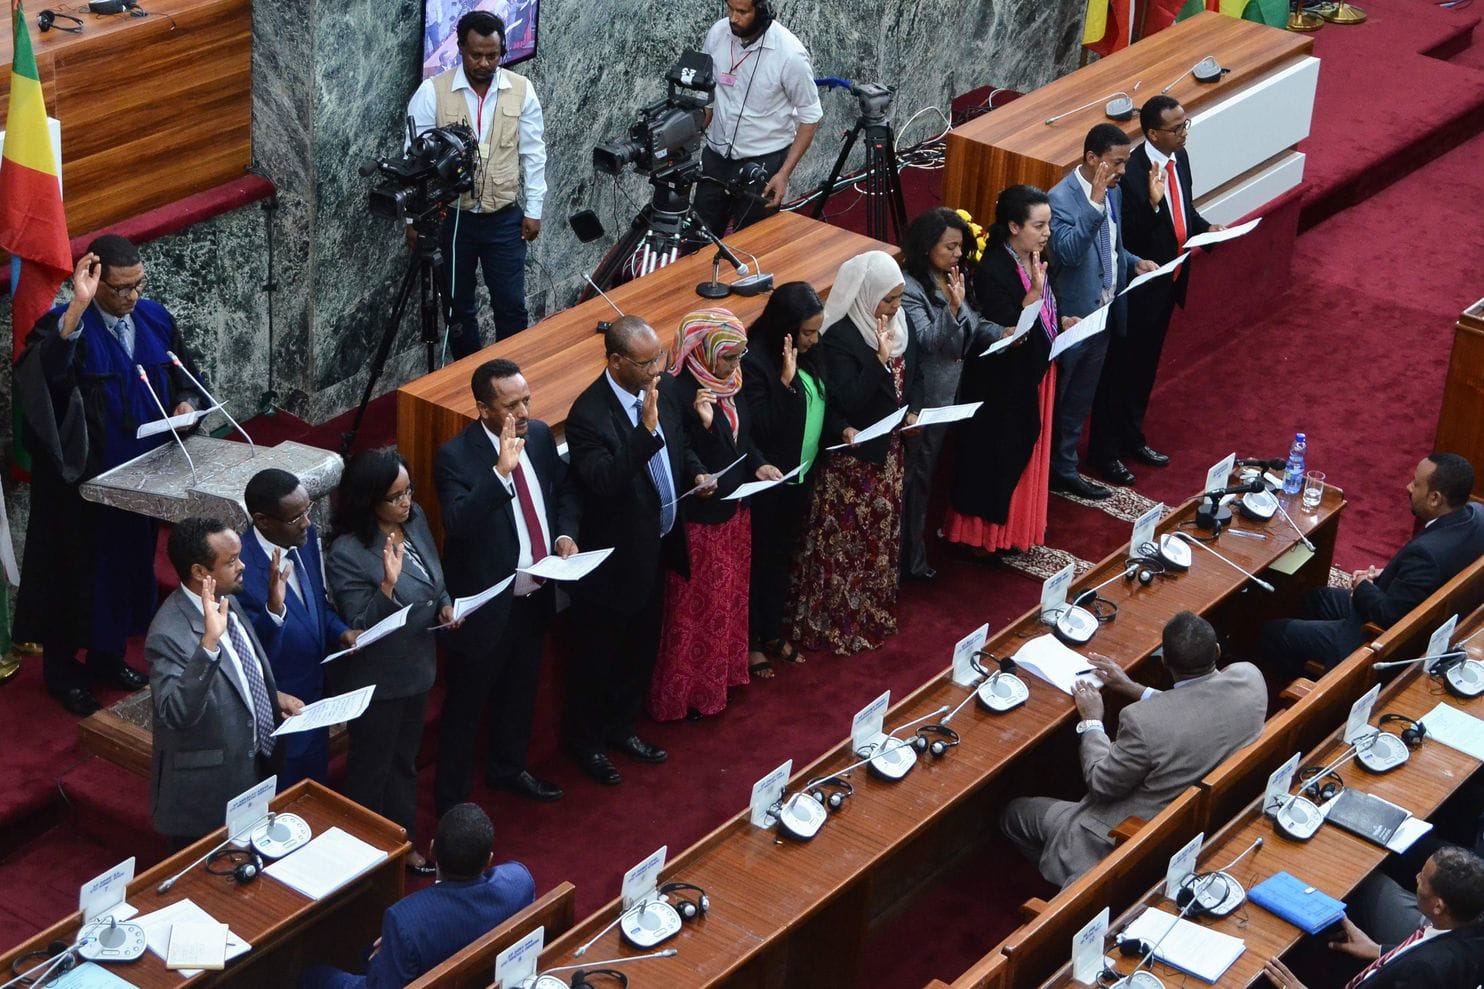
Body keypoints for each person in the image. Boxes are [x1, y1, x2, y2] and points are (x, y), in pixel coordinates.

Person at [14, 235, 205, 716]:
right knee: (74, 580)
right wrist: (76, 306)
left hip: (142, 481)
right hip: (82, 490)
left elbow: (185, 373)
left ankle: (108, 658)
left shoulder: (155, 318)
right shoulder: (65, 324)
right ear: (94, 282)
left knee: (125, 573)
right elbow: (47, 378)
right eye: (119, 289)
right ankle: (62, 674)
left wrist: (188, 403)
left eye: (137, 285)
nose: (131, 298)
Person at [1002, 611, 1266, 887]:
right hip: (1204, 814)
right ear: (1217, 651)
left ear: (1164, 661)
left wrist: (1091, 721)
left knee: (1014, 813)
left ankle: (1064, 882)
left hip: (1125, 836)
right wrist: (1131, 687)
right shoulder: (1250, 678)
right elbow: (1199, 704)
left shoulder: (1142, 722)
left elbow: (1101, 784)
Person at [563, 316, 712, 785]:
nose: (658, 371)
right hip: (612, 566)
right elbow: (606, 482)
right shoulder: (588, 415)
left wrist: (696, 473)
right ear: (615, 361)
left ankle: (623, 728)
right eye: (647, 363)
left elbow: (678, 446)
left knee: (639, 651)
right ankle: (587, 745)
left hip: (657, 548)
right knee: (598, 662)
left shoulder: (661, 389)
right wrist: (644, 433)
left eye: (660, 359)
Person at [433, 359, 580, 810]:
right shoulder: (455, 457)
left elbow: (562, 491)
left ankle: (508, 768)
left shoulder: (536, 437)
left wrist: (564, 534)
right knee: (466, 708)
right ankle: (453, 803)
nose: (524, 410)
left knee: (521, 689)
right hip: (488, 603)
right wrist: (499, 473)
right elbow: (457, 523)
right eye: (511, 404)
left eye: (526, 399)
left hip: (536, 594)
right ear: (482, 409)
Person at [786, 251, 923, 655]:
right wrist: (880, 362)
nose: (895, 307)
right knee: (845, 544)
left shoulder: (901, 325)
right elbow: (846, 399)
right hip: (852, 461)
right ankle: (835, 623)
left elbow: (913, 376)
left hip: (890, 454)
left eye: (897, 298)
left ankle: (870, 612)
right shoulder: (841, 337)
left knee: (878, 540)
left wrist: (912, 409)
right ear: (865, 295)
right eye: (887, 299)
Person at [327, 449, 455, 873]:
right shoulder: (348, 551)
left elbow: (435, 578)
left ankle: (402, 842)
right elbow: (359, 626)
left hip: (417, 667)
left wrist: (446, 605)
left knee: (403, 762)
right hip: (378, 680)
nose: (406, 502)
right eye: (395, 496)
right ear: (369, 501)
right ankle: (367, 856)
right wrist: (387, 585)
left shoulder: (413, 518)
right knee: (371, 770)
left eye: (408, 491)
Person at [652, 309, 781, 718]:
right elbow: (679, 450)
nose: (735, 365)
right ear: (704, 350)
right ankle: (685, 696)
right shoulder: (675, 389)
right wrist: (706, 431)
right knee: (695, 609)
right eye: (727, 357)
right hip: (700, 520)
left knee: (727, 599)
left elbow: (746, 437)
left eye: (739, 356)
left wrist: (758, 462)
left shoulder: (732, 379)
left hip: (735, 510)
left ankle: (720, 678)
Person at [1090, 95, 1222, 486]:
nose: (1184, 133)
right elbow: (1123, 237)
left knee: (1145, 369)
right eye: (1176, 128)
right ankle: (1104, 452)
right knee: (1121, 372)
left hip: (1171, 281)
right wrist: (1150, 204)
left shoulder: (1178, 160)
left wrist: (1208, 230)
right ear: (1151, 133)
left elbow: (1184, 214)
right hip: (1138, 288)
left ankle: (1132, 437)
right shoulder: (1129, 172)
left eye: (1185, 125)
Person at [149, 518, 303, 848]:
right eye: (231, 561)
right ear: (200, 572)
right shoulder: (168, 632)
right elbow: (175, 713)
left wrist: (272, 697)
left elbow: (241, 668)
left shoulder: (225, 597)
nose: (243, 565)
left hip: (256, 771)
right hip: (209, 797)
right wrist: (207, 646)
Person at [1261, 453, 1484, 679]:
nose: (1408, 487)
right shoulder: (1478, 515)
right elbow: (1427, 576)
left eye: (1416, 484)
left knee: (1273, 633)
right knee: (1315, 598)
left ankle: (1300, 684)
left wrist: (1361, 586)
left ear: (1435, 498)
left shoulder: (1426, 554)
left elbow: (1387, 616)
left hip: (1369, 636)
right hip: (1410, 603)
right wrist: (1389, 574)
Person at [407, 9, 546, 355]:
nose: (484, 63)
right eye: (476, 55)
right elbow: (414, 164)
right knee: (458, 310)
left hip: (504, 218)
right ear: (459, 49)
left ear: (502, 52)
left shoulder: (521, 90)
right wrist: (413, 220)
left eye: (493, 55)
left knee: (512, 306)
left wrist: (534, 209)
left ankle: (512, 379)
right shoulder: (431, 92)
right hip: (453, 220)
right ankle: (470, 382)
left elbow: (533, 153)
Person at [945, 185, 1073, 555]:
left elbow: (1049, 303)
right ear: (1014, 227)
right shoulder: (992, 270)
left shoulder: (1037, 255)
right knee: (997, 459)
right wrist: (1032, 297)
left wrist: (1060, 318)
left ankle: (1019, 533)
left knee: (1028, 452)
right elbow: (1004, 332)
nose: (1047, 233)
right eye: (1039, 225)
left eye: (1048, 224)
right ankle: (983, 540)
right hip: (1002, 384)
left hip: (1036, 373)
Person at [299, 803, 536, 989]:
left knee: (315, 975)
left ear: (432, 849)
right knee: (366, 953)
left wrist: (396, 946)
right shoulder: (519, 881)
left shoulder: (404, 919)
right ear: (489, 859)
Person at [1047, 124, 1157, 501]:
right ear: (1092, 159)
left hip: (1105, 315)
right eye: (1117, 162)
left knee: (1080, 401)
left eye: (1125, 162)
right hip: (1070, 322)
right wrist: (1094, 203)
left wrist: (1133, 261)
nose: (1123, 171)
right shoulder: (1059, 200)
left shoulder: (1115, 192)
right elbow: (1068, 254)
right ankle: (1041, 475)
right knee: (1057, 402)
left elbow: (1111, 247)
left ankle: (1064, 469)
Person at [898, 208, 1002, 580]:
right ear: (927, 247)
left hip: (955, 393)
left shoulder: (952, 277)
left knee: (931, 476)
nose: (959, 254)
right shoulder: (910, 288)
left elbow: (972, 324)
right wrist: (954, 308)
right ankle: (910, 560)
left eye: (961, 246)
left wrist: (1002, 332)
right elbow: (928, 341)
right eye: (951, 246)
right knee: (917, 479)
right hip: (926, 402)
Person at [236, 469, 359, 787]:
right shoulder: (241, 571)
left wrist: (341, 631)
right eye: (296, 517)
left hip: (316, 704)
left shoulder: (305, 538)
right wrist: (273, 610)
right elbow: (247, 651)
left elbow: (316, 605)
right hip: (280, 715)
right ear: (263, 521)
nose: (307, 521)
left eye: (307, 510)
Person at [742, 283, 831, 673]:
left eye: (816, 331)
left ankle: (772, 629)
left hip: (800, 477)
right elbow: (760, 426)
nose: (814, 339)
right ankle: (751, 640)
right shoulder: (755, 361)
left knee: (781, 559)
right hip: (767, 482)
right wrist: (784, 381)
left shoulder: (809, 351)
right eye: (807, 332)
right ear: (785, 329)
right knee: (759, 562)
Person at [1261, 846, 1484, 989]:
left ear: (1438, 907)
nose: (1416, 878)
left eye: (1423, 880)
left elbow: (1420, 967)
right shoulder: (1471, 930)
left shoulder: (1427, 970)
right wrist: (1377, 951)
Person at [694, 0, 823, 236]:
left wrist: (783, 174)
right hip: (716, 158)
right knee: (698, 238)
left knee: (753, 244)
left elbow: (811, 117)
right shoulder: (717, 33)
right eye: (730, 8)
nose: (733, 18)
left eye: (742, 12)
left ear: (763, 12)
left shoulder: (790, 55)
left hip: (763, 163)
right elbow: (708, 92)